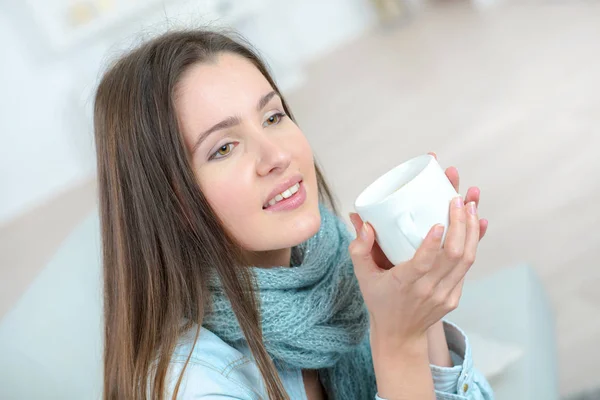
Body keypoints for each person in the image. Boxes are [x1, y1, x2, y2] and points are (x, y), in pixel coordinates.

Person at [93, 28, 494, 400]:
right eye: (224, 148)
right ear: (171, 202)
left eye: (272, 117)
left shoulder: (331, 262)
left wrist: (420, 311)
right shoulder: (196, 385)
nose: (278, 155)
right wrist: (398, 341)